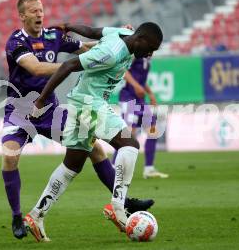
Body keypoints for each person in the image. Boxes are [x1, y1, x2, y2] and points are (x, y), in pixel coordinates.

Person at [1, 0, 153, 240]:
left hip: (50, 109)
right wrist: (82, 63)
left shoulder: (53, 36)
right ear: (22, 16)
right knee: (9, 157)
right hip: (21, 110)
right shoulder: (16, 41)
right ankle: (17, 217)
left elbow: (87, 48)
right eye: (33, 11)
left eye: (41, 10)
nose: (40, 14)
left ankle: (123, 202)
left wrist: (123, 40)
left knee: (93, 151)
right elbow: (37, 68)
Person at [26, 22, 163, 242]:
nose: (150, 54)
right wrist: (41, 99)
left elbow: (94, 31)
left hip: (83, 102)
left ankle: (36, 215)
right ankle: (118, 207)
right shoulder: (110, 53)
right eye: (151, 48)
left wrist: (67, 25)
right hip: (88, 104)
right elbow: (68, 66)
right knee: (130, 144)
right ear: (141, 39)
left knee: (72, 165)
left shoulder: (124, 33)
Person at [113, 57, 169, 179]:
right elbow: (123, 70)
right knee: (128, 135)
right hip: (128, 99)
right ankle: (113, 166)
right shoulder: (135, 54)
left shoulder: (147, 57)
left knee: (153, 131)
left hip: (140, 100)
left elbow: (141, 80)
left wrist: (150, 93)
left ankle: (149, 169)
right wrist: (136, 86)